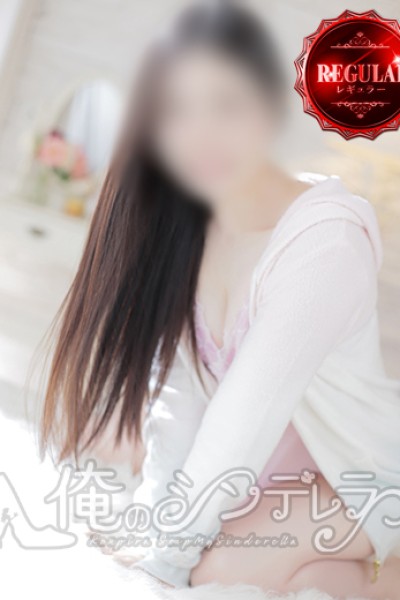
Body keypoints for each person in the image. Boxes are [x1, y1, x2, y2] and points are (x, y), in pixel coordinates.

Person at [41, 1, 400, 596]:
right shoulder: (194, 234)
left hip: (359, 481)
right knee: (286, 571)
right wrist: (157, 523)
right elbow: (176, 399)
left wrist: (170, 555)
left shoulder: (324, 239)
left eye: (226, 104)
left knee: (215, 570)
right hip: (267, 486)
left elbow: (247, 414)